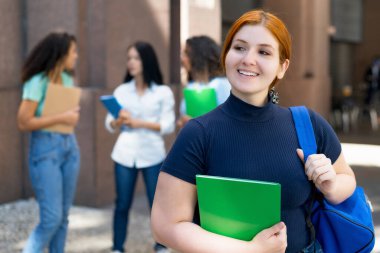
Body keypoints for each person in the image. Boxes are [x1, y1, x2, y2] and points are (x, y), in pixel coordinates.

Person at [151, 9, 356, 253]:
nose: (248, 59)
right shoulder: (198, 133)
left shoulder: (307, 124)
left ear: (282, 67)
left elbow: (347, 179)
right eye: (239, 48)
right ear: (226, 55)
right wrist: (251, 250)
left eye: (264, 52)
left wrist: (330, 185)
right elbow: (165, 225)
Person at [105, 41, 175, 253]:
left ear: (146, 60)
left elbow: (168, 125)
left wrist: (139, 123)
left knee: (157, 205)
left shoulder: (162, 92)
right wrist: (119, 120)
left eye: (136, 58)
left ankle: (161, 245)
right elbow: (109, 123)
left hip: (153, 154)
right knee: (122, 204)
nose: (131, 63)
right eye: (129, 58)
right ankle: (117, 248)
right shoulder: (122, 91)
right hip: (124, 154)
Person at [17, 31, 80, 253]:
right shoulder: (37, 81)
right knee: (51, 218)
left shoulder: (67, 78)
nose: (76, 56)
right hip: (45, 151)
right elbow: (23, 122)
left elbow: (65, 113)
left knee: (63, 218)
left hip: (69, 147)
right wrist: (62, 118)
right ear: (61, 54)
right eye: (73, 51)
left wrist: (71, 115)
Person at [177, 35, 231, 127]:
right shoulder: (191, 86)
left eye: (186, 53)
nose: (182, 58)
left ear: (199, 58)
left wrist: (196, 123)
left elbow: (229, 121)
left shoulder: (221, 85)